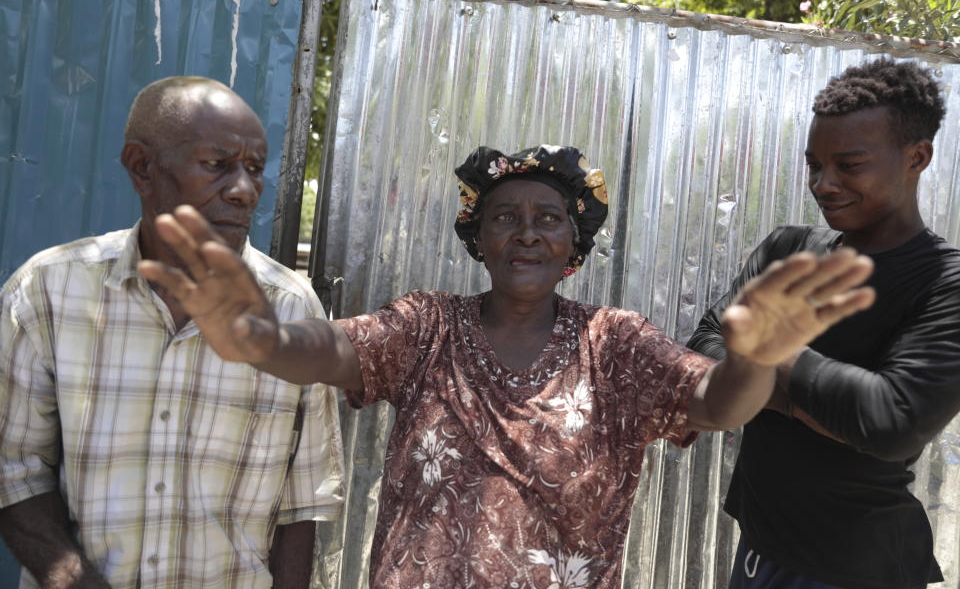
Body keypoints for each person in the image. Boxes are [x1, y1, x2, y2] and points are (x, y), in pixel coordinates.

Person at [141, 144, 875, 588]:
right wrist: (259, 340)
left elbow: (717, 404)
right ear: (479, 239)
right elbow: (332, 348)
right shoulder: (427, 326)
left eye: (547, 218)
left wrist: (756, 356)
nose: (526, 233)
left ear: (573, 248)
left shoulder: (615, 345)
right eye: (505, 217)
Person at [0, 76, 345, 589]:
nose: (245, 190)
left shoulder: (291, 310)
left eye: (254, 169)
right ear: (142, 168)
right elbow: (13, 470)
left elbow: (302, 502)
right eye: (217, 165)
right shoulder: (48, 291)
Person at [687, 58, 960, 589]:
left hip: (856, 566)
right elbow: (700, 348)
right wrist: (802, 400)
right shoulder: (790, 249)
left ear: (917, 157)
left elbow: (890, 422)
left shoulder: (945, 283)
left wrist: (766, 353)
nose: (824, 183)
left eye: (849, 165)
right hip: (758, 547)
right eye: (814, 164)